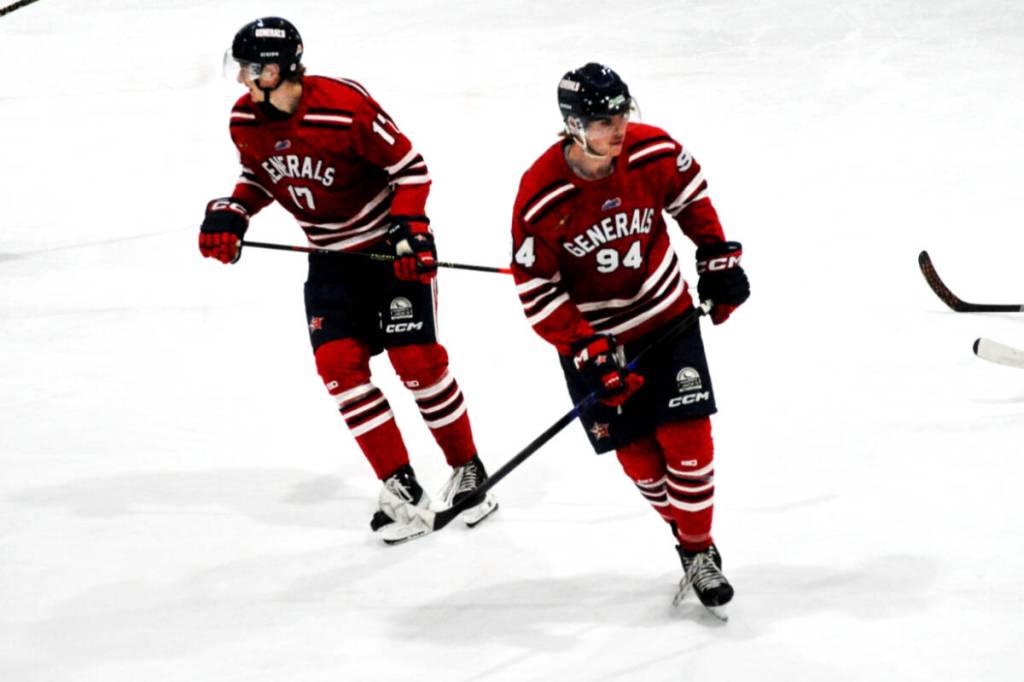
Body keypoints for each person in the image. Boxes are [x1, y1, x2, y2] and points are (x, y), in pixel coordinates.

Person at [199, 17, 497, 544]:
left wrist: (412, 230)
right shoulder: (244, 119)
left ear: (278, 68)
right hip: (330, 259)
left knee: (417, 362)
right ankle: (401, 486)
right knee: (338, 367)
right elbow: (258, 176)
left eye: (251, 68)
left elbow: (410, 168)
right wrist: (233, 213)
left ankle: (468, 467)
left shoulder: (344, 107)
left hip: (388, 250)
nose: (243, 79)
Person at [509, 63, 749, 615]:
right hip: (596, 339)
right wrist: (584, 345)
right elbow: (536, 288)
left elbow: (689, 196)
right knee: (642, 460)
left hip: (667, 317)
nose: (617, 127)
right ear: (573, 126)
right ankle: (689, 534)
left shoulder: (652, 150)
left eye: (622, 112)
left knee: (689, 445)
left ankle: (696, 551)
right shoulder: (541, 193)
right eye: (602, 119)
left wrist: (715, 256)